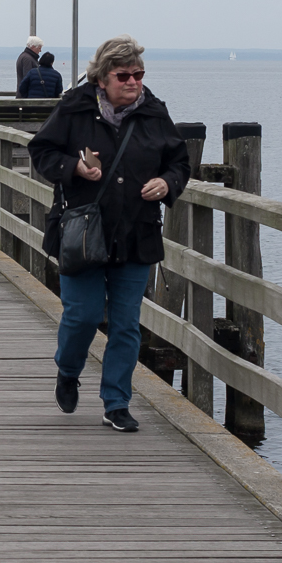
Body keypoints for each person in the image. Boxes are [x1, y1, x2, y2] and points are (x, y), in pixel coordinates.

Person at [27, 35, 189, 432]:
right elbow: (42, 152)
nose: (133, 82)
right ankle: (68, 370)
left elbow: (179, 162)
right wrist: (74, 169)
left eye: (139, 74)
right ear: (102, 79)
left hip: (137, 232)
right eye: (124, 76)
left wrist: (167, 184)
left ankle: (116, 403)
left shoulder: (154, 112)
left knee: (126, 324)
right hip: (83, 233)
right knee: (81, 316)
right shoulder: (75, 108)